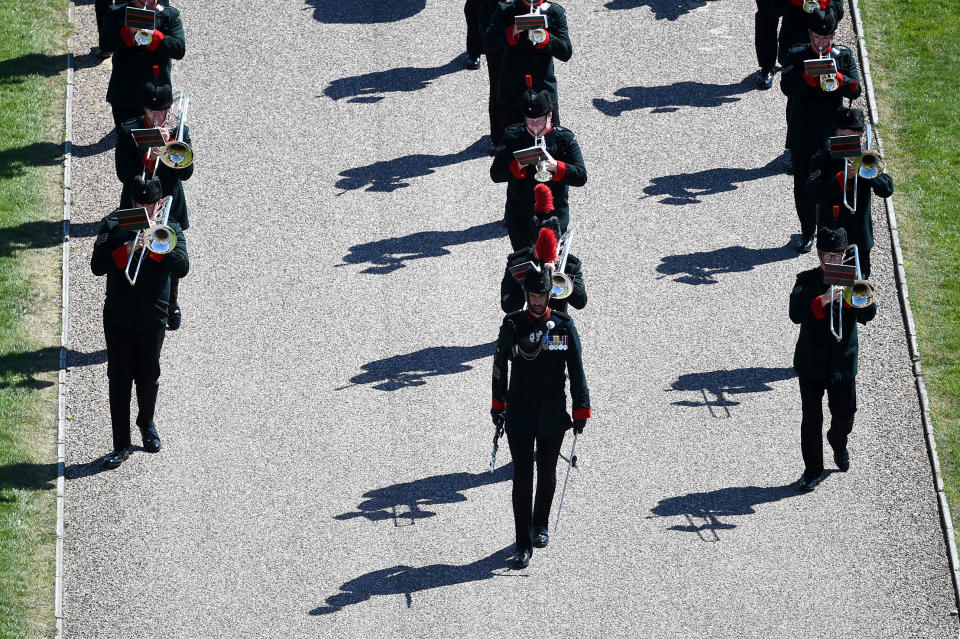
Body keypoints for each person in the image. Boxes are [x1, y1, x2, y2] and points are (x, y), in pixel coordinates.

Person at [491, 265, 591, 568]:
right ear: (526, 294)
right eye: (533, 295)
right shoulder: (512, 325)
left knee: (547, 474)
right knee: (522, 478)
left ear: (550, 294)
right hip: (520, 410)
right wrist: (498, 406)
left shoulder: (563, 325)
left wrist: (581, 408)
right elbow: (499, 368)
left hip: (551, 411)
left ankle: (541, 524)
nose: (537, 301)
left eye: (542, 295)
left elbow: (577, 369)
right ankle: (522, 543)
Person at [90, 176, 188, 469]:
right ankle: (120, 445)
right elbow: (97, 266)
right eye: (139, 203)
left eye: (151, 204)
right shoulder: (113, 224)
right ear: (131, 201)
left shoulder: (171, 229)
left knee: (148, 377)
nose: (145, 208)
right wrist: (129, 248)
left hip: (152, 316)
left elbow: (182, 267)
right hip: (118, 317)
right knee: (118, 382)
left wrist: (156, 245)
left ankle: (147, 424)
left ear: (159, 203)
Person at [789, 226, 876, 492]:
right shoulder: (806, 279)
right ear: (819, 254)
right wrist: (823, 299)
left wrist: (851, 300)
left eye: (837, 256)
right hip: (812, 362)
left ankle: (838, 443)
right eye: (827, 255)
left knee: (845, 415)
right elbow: (795, 313)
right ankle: (812, 470)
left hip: (842, 364)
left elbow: (869, 314)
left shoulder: (854, 280)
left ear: (844, 255)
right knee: (811, 419)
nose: (832, 261)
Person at [780, 10, 861, 252]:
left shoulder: (844, 56)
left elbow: (856, 90)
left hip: (833, 132)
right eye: (816, 37)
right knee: (804, 183)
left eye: (825, 38)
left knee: (835, 182)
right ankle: (807, 231)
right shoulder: (797, 54)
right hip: (803, 130)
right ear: (810, 34)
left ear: (834, 35)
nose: (821, 43)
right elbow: (786, 87)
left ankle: (832, 235)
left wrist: (838, 77)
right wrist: (807, 76)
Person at [115, 82, 193, 329]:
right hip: (136, 202)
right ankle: (133, 303)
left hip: (169, 201)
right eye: (152, 112)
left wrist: (168, 153)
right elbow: (123, 174)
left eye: (162, 111)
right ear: (144, 109)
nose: (158, 117)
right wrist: (145, 155)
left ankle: (171, 303)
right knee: (134, 248)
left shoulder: (179, 131)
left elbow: (186, 173)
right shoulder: (130, 131)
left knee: (168, 249)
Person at [490, 85, 586, 250]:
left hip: (554, 216)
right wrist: (518, 164)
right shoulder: (513, 136)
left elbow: (581, 176)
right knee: (524, 265)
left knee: (551, 265)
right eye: (530, 121)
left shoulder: (565, 139)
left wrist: (556, 166)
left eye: (539, 121)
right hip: (520, 216)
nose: (534, 127)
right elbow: (496, 174)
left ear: (550, 116)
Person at [806, 107, 894, 279]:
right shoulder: (822, 158)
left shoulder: (869, 159)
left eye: (851, 138)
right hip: (832, 235)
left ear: (861, 137)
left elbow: (887, 189)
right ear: (834, 135)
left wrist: (867, 172)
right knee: (837, 287)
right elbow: (812, 193)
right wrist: (840, 179)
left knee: (859, 284)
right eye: (841, 137)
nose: (846, 142)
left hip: (859, 234)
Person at [483, 0, 572, 129]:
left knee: (550, 140)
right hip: (512, 90)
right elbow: (488, 43)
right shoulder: (506, 10)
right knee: (512, 141)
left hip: (543, 87)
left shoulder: (554, 12)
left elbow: (566, 52)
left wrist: (546, 38)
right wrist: (514, 30)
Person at [99, 0, 186, 129]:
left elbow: (179, 50)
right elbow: (105, 45)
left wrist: (155, 36)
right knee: (126, 139)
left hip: (156, 93)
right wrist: (128, 32)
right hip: (125, 92)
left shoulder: (169, 16)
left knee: (156, 141)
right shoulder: (116, 13)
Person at [500, 194, 586, 313]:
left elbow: (580, 302)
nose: (545, 252)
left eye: (551, 247)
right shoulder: (517, 263)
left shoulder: (570, 265)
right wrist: (528, 284)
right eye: (540, 247)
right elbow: (507, 305)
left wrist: (560, 275)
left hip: (557, 320)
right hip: (527, 319)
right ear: (532, 243)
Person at [754, 0, 844, 90]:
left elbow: (837, 8)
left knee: (788, 59)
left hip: (812, 5)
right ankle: (767, 66)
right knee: (765, 14)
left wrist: (824, 7)